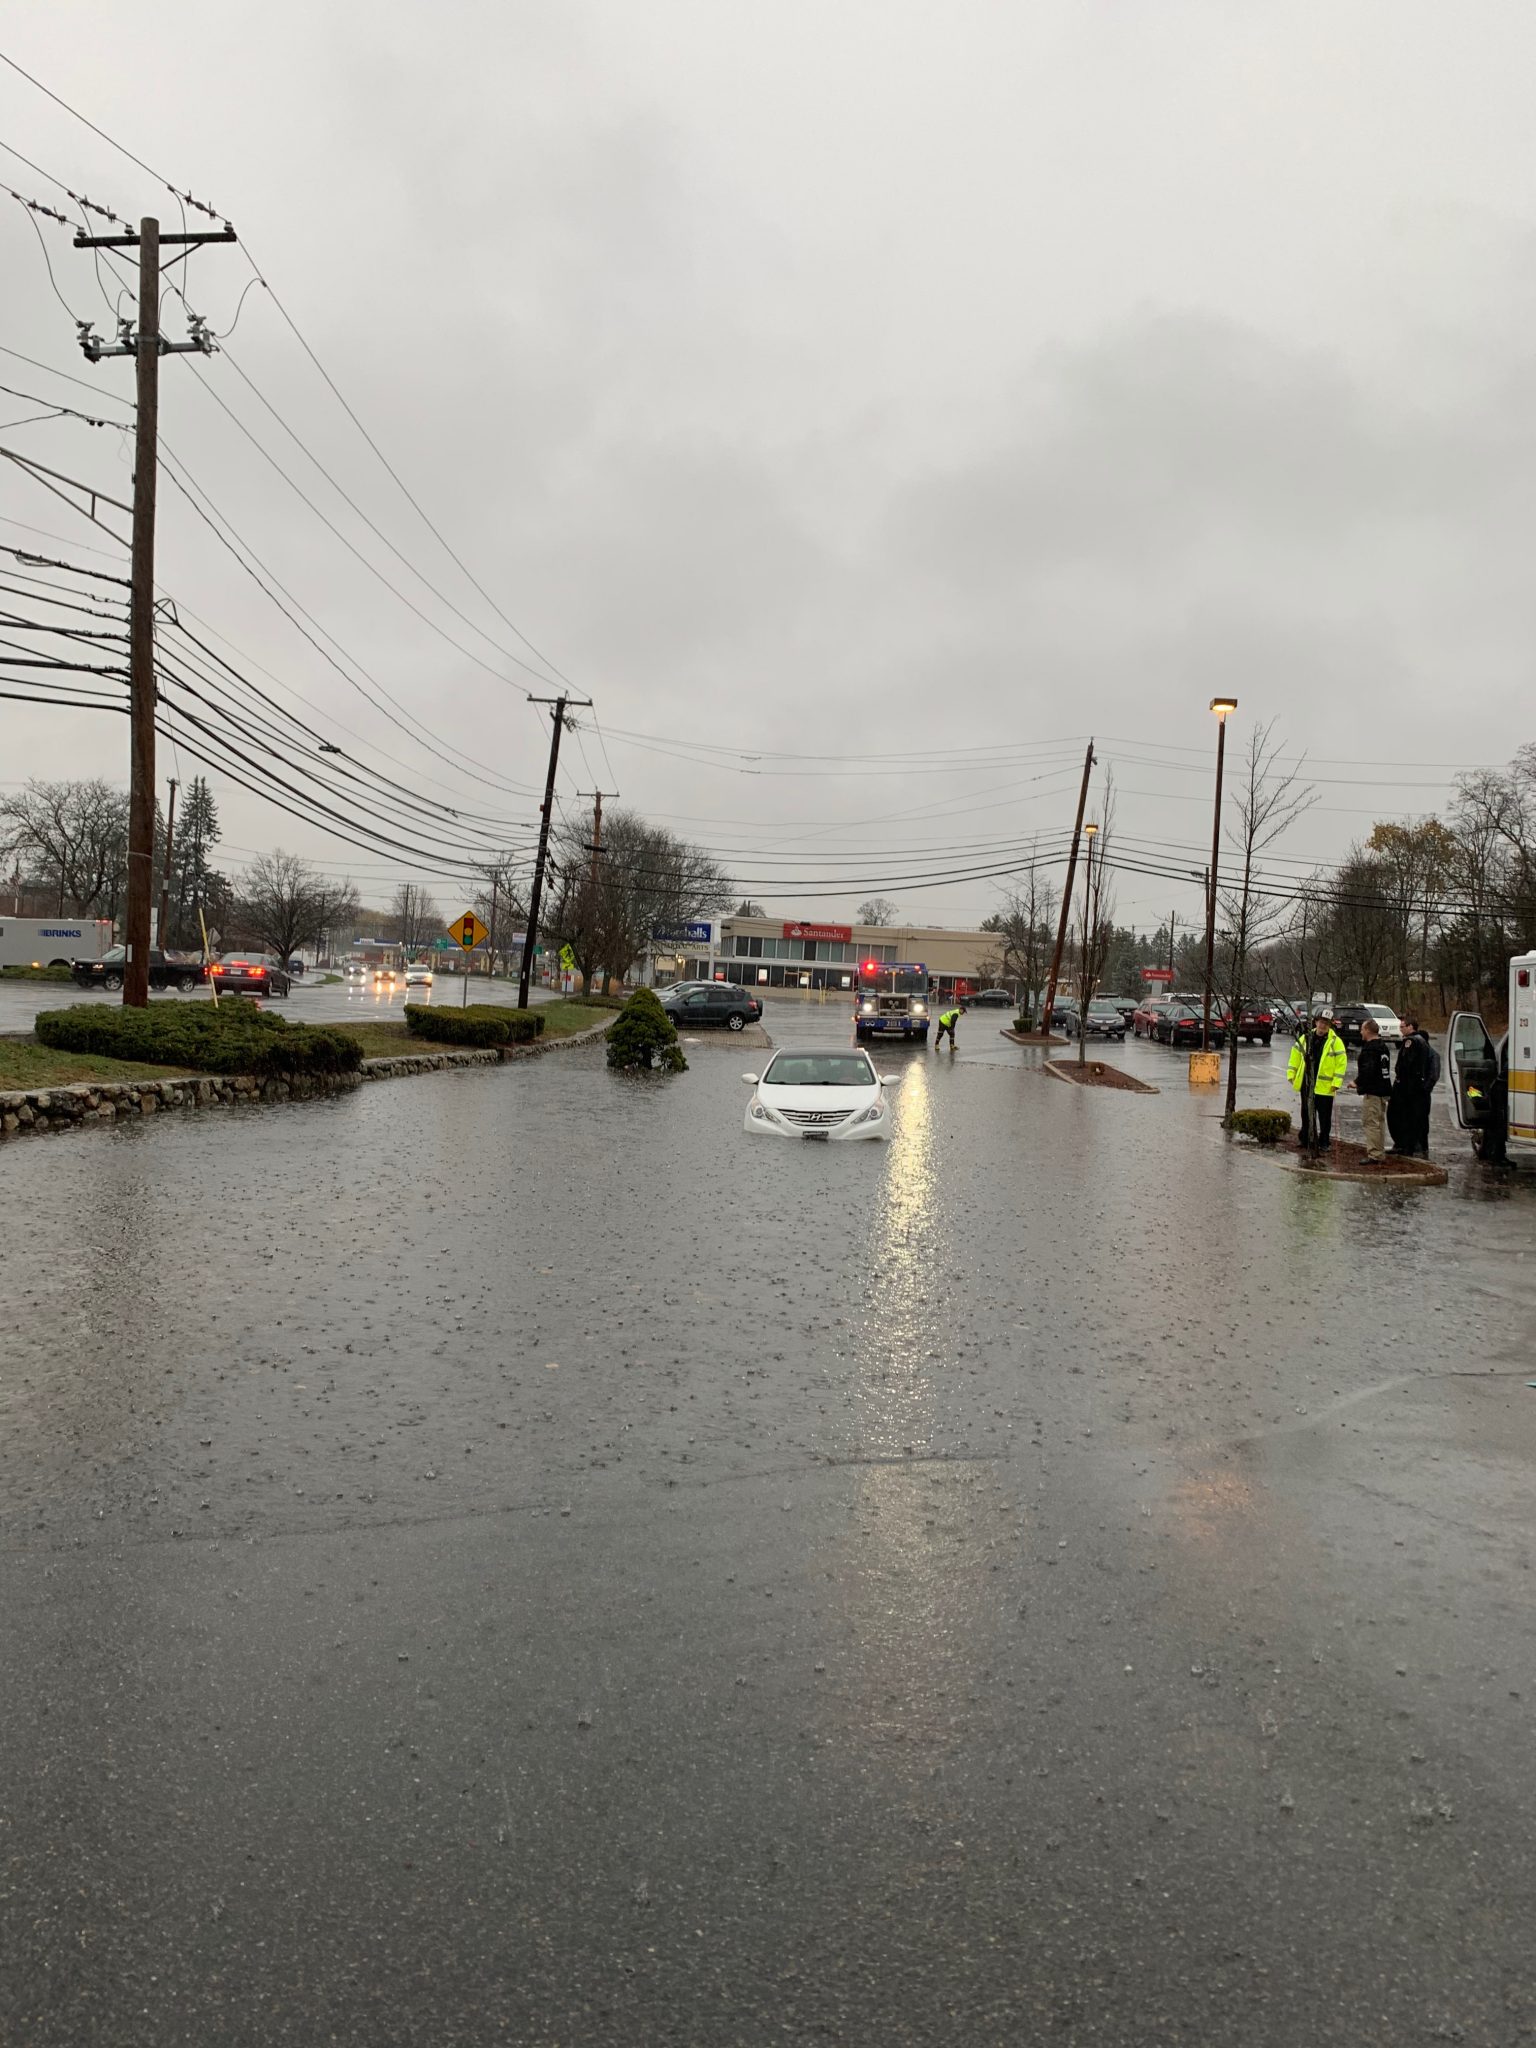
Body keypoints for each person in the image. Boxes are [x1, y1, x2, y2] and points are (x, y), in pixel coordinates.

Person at [1287, 1009, 1347, 1150]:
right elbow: (1295, 1055)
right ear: (1316, 1022)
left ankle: (1324, 1142)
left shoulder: (1335, 1042)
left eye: (1326, 1023)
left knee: (1324, 1118)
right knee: (1306, 1114)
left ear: (1330, 1025)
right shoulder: (1306, 1038)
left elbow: (1341, 1063)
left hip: (1325, 1087)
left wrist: (1336, 1083)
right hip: (1307, 1083)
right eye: (1321, 1022)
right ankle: (1305, 1139)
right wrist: (1291, 1073)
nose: (1323, 1025)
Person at [1390, 1016, 1434, 1157]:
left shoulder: (1412, 1041)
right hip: (1416, 1087)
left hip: (1409, 1087)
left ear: (1411, 1027)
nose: (1400, 1029)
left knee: (1406, 1117)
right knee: (1416, 1119)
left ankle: (1408, 1146)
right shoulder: (1421, 1042)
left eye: (1403, 1026)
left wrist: (1402, 1082)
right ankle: (1414, 1146)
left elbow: (1406, 1065)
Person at [1352, 1016, 1392, 1163]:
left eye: (1362, 1029)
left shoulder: (1370, 1049)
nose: (1361, 1032)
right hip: (1383, 1090)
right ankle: (1379, 1151)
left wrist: (1357, 1082)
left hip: (1373, 1091)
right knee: (1379, 1122)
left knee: (1371, 1122)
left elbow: (1367, 1070)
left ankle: (1375, 1154)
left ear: (1368, 1030)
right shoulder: (1383, 1047)